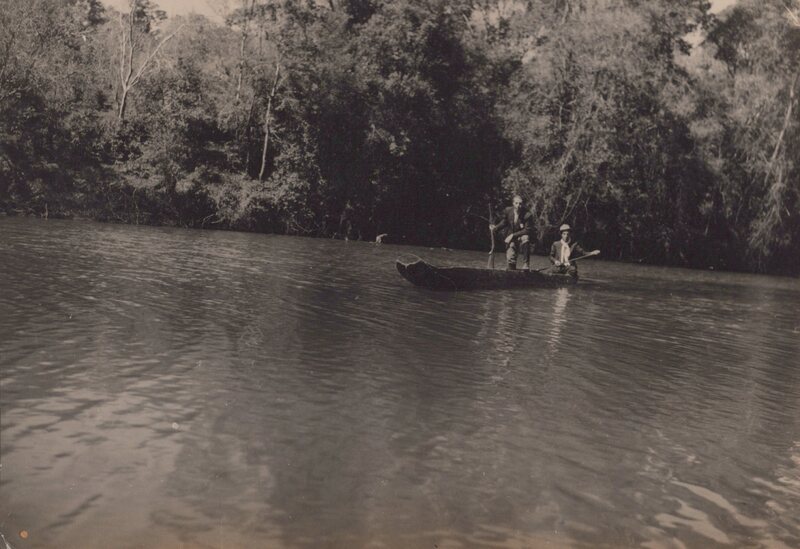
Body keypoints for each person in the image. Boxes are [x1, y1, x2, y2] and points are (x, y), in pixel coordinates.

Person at [489, 195, 534, 270]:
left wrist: (513, 235)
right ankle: (512, 270)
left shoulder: (527, 215)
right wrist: (495, 228)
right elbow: (504, 222)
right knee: (511, 260)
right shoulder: (508, 210)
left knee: (526, 238)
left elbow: (527, 230)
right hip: (511, 238)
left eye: (520, 204)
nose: (518, 205)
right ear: (513, 203)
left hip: (521, 236)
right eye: (516, 203)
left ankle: (526, 264)